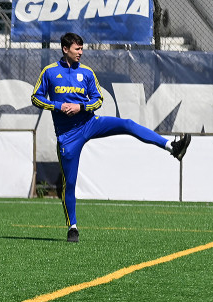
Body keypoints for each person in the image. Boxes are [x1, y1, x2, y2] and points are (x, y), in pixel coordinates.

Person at [31, 32, 190, 243]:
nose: (81, 52)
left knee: (127, 124)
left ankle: (172, 147)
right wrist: (60, 106)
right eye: (77, 49)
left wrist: (81, 106)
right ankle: (73, 227)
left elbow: (98, 99)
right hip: (67, 136)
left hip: (89, 123)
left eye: (81, 48)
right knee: (69, 183)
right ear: (65, 49)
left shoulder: (86, 73)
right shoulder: (50, 72)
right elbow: (35, 97)